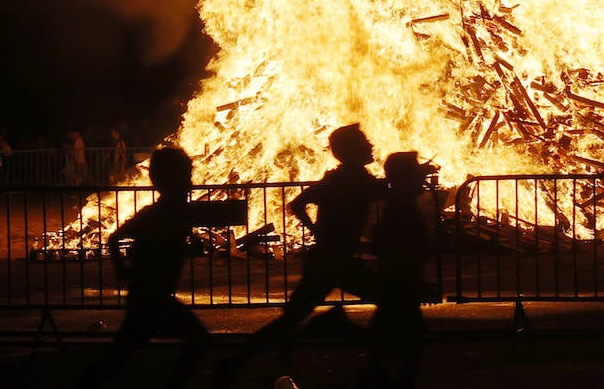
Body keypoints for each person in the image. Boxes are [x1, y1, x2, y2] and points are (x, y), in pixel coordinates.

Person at [214, 123, 384, 388]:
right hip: (331, 260)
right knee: (387, 301)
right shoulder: (346, 178)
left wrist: (319, 231)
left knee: (291, 319)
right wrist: (319, 231)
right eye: (364, 141)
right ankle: (361, 356)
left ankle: (236, 362)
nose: (370, 144)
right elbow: (298, 203)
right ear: (350, 150)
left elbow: (300, 203)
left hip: (331, 259)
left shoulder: (349, 176)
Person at [71, 145, 210, 389]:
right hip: (150, 298)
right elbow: (115, 238)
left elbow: (159, 245)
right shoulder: (157, 214)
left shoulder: (175, 212)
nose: (190, 183)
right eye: (186, 176)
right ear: (171, 180)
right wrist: (123, 269)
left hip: (151, 297)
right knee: (198, 341)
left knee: (120, 357)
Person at [359, 151, 438, 389]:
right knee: (409, 338)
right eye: (416, 173)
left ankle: (379, 377)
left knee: (390, 337)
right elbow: (399, 252)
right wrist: (415, 283)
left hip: (398, 285)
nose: (422, 180)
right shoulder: (400, 210)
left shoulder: (399, 205)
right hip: (400, 285)